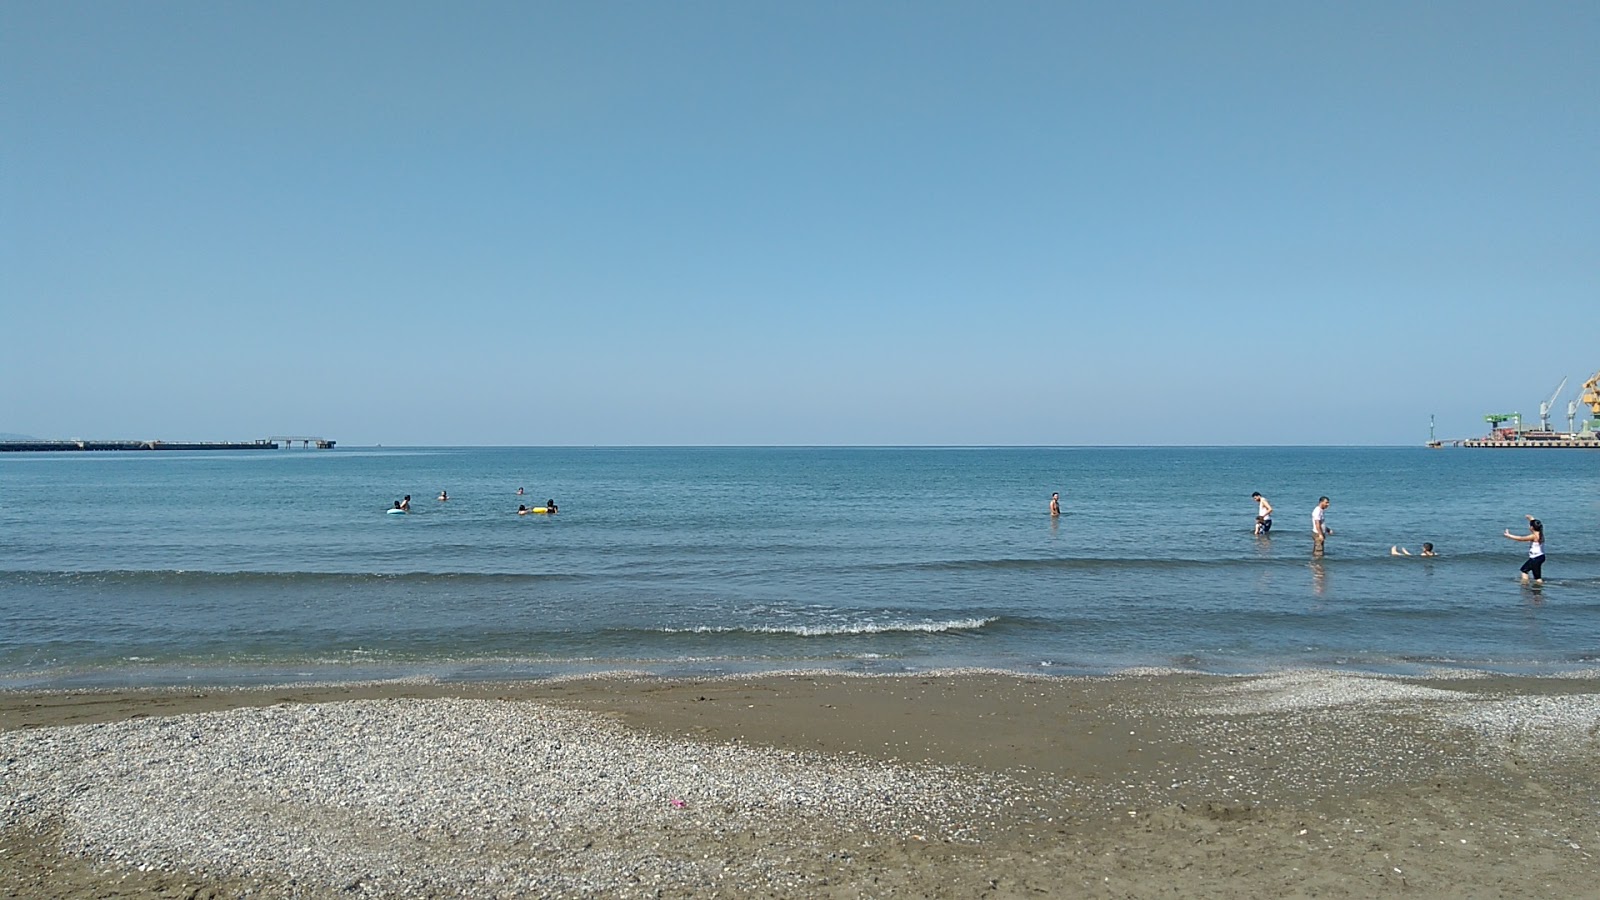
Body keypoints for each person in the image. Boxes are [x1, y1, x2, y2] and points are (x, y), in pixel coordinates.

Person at [1503, 516, 1545, 584]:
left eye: (1529, 525)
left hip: (1535, 558)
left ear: (1532, 528)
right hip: (1541, 557)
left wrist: (1508, 535)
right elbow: (1535, 523)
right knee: (1528, 571)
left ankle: (1528, 586)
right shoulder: (1540, 533)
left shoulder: (1533, 536)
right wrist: (1531, 518)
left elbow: (1520, 538)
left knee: (1527, 572)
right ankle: (1533, 587)